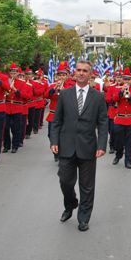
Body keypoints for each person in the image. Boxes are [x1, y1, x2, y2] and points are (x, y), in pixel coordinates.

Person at [50, 60, 108, 232]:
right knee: (65, 181)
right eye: (79, 70)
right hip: (66, 145)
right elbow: (56, 121)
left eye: (85, 71)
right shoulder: (65, 94)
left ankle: (83, 218)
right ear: (74, 73)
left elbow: (103, 122)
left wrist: (102, 145)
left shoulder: (98, 97)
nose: (81, 73)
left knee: (87, 186)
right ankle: (71, 203)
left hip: (88, 146)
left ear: (90, 74)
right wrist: (54, 141)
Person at [109, 67, 131, 169]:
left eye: (129, 79)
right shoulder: (118, 89)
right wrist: (121, 92)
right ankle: (118, 155)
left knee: (130, 142)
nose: (127, 81)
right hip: (120, 119)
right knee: (118, 141)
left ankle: (128, 161)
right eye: (125, 79)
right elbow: (113, 99)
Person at [3, 63, 32, 154]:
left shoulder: (22, 83)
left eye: (15, 72)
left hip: (17, 107)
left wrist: (16, 90)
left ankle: (15, 146)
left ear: (17, 74)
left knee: (16, 128)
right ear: (9, 73)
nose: (13, 74)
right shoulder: (6, 82)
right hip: (7, 106)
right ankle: (6, 146)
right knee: (5, 127)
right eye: (11, 72)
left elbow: (27, 96)